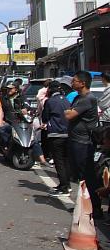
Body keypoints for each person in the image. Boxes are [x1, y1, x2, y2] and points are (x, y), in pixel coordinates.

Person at [65, 71, 101, 215]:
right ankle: (84, 206)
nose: (72, 83)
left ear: (83, 83)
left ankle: (95, 208)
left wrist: (67, 110)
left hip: (83, 143)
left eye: (74, 81)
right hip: (75, 140)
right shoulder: (79, 97)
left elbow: (69, 115)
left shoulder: (88, 98)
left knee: (87, 177)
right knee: (81, 177)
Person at [41, 81, 71, 195]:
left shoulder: (50, 101)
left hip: (56, 134)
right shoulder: (66, 100)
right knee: (66, 160)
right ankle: (66, 184)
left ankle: (64, 187)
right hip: (68, 133)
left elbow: (45, 117)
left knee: (59, 161)